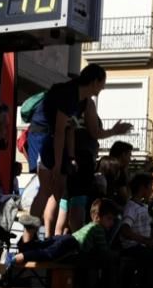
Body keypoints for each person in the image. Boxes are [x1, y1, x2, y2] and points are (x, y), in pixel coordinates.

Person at [26, 64, 107, 238]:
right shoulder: (69, 94)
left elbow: (70, 130)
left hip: (55, 140)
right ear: (94, 82)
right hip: (44, 137)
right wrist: (56, 165)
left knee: (59, 189)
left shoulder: (82, 100)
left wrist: (70, 157)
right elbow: (60, 130)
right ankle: (28, 238)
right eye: (102, 83)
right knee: (46, 189)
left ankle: (49, 239)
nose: (103, 87)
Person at [54, 96, 132, 236]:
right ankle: (77, 241)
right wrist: (114, 131)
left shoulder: (67, 109)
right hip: (81, 160)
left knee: (64, 203)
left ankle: (55, 238)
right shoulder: (84, 104)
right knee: (77, 201)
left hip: (68, 159)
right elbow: (94, 132)